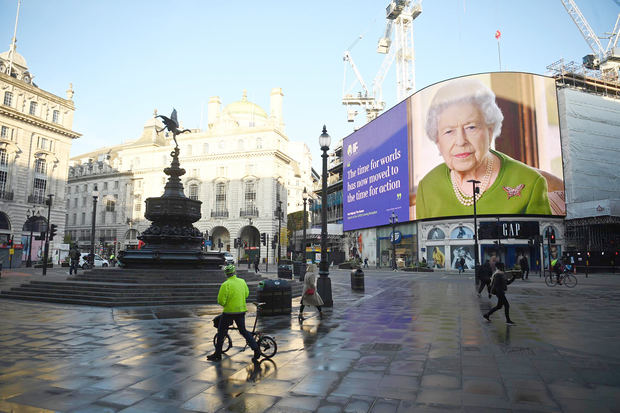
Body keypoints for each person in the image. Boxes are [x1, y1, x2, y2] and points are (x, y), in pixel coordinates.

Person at [416, 78, 553, 219]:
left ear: (490, 130)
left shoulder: (531, 183)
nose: (460, 141)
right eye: (449, 131)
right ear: (438, 140)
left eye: (471, 127)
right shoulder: (427, 188)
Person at [207, 264, 260, 362]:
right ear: (235, 272)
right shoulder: (242, 282)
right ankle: (256, 349)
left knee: (221, 331)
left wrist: (227, 303)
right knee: (243, 331)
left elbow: (221, 301)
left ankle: (217, 354)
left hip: (229, 312)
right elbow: (246, 294)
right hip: (241, 311)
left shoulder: (225, 284)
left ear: (226, 274)